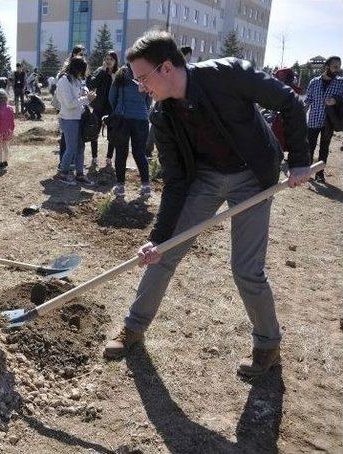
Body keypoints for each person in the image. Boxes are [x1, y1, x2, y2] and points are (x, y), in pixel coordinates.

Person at [102, 31, 312, 378]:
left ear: (166, 68)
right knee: (164, 252)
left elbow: (289, 101)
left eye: (142, 78)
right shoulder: (163, 116)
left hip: (252, 177)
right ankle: (133, 329)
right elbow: (175, 181)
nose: (140, 87)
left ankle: (267, 345)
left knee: (246, 269)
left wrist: (300, 160)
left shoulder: (228, 74)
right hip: (205, 179)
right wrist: (158, 237)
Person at [108, 55, 152, 197]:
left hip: (123, 119)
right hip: (141, 119)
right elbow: (149, 99)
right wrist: (142, 110)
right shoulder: (146, 75)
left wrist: (117, 109)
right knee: (139, 152)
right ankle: (146, 186)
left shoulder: (121, 73)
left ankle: (120, 186)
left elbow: (111, 96)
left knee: (121, 152)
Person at [54, 56, 95, 186]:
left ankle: (80, 174)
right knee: (71, 147)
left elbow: (82, 89)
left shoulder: (76, 80)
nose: (82, 74)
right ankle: (63, 173)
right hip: (68, 118)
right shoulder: (64, 81)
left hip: (78, 117)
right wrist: (87, 99)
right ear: (76, 69)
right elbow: (69, 104)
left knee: (80, 147)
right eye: (81, 71)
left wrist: (86, 92)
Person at [304, 56, 343, 182]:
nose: (338, 69)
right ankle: (306, 172)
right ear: (327, 67)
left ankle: (319, 174)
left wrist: (336, 100)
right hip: (314, 119)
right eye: (335, 66)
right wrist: (301, 113)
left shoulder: (341, 82)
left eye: (339, 66)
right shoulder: (314, 82)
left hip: (329, 121)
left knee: (324, 147)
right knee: (310, 146)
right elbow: (308, 100)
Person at [86, 51, 119, 168]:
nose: (109, 61)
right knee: (94, 133)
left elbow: (120, 90)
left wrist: (113, 76)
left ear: (115, 61)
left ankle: (109, 158)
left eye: (111, 59)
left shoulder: (118, 73)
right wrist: (102, 72)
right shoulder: (101, 71)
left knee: (112, 135)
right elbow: (91, 84)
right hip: (98, 107)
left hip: (111, 109)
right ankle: (94, 158)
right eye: (107, 59)